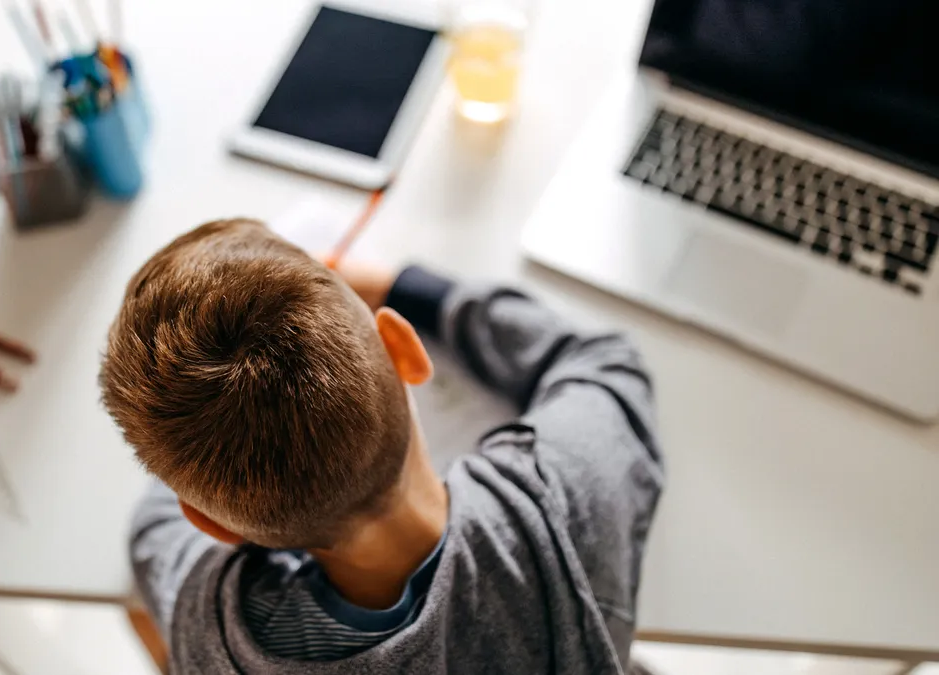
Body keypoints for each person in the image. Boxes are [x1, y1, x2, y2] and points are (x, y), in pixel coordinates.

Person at [99, 218, 664, 674]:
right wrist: (410, 288)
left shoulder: (211, 630)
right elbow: (602, 362)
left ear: (214, 525)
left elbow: (154, 532)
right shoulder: (561, 505)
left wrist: (202, 439)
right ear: (404, 349)